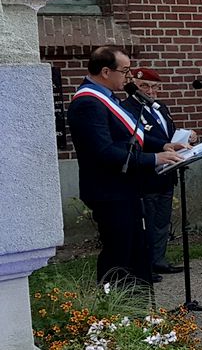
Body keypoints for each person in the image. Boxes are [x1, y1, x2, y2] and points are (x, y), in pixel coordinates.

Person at [67, 46, 183, 285]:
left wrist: (163, 145)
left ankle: (136, 300)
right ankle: (111, 302)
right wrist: (154, 159)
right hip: (109, 189)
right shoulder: (88, 102)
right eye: (125, 71)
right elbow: (103, 151)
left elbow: (131, 134)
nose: (128, 77)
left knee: (135, 250)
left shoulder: (108, 97)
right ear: (106, 71)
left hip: (126, 186)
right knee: (118, 252)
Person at [122, 67, 195, 276]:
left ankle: (159, 259)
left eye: (154, 87)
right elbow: (139, 137)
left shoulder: (160, 107)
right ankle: (145, 265)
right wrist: (164, 145)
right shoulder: (128, 108)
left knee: (162, 221)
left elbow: (168, 135)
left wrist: (186, 137)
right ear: (134, 86)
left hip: (167, 171)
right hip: (146, 172)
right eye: (144, 86)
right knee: (148, 221)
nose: (150, 91)